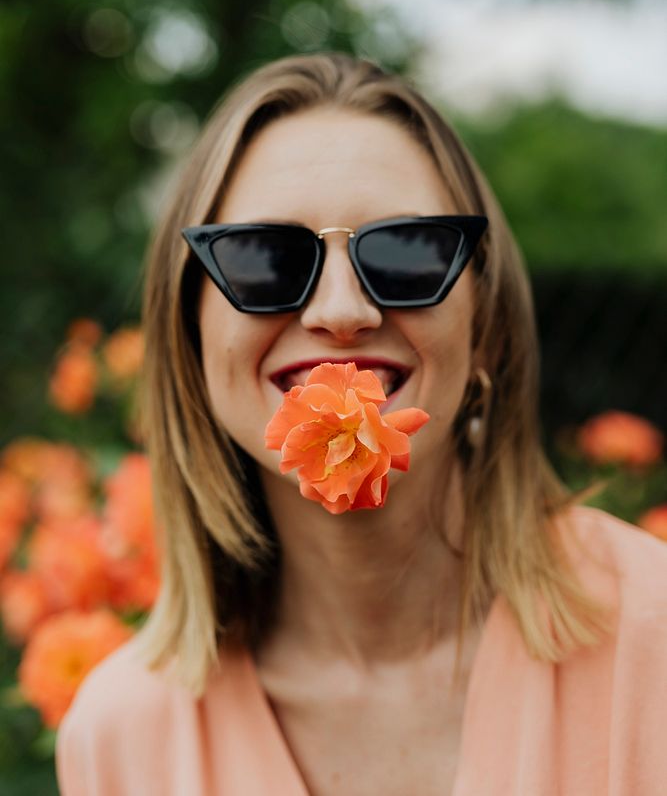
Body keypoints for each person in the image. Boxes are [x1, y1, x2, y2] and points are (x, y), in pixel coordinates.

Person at [56, 53, 667, 795]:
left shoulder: (653, 642)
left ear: (488, 329)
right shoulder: (121, 741)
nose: (342, 312)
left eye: (407, 252)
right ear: (190, 340)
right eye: (264, 260)